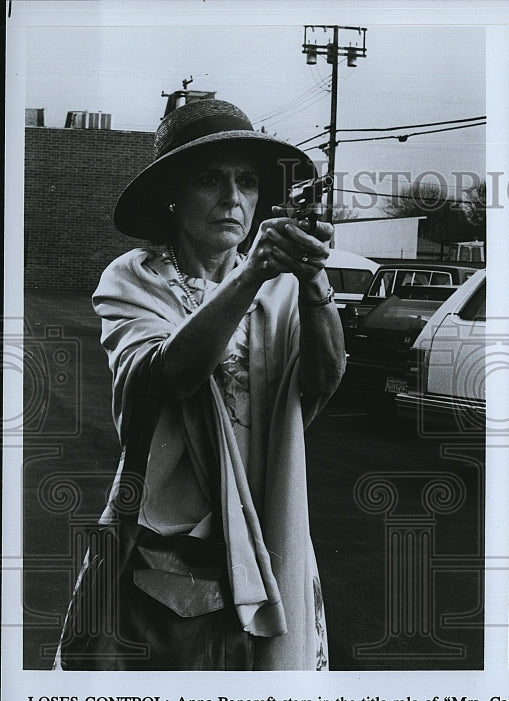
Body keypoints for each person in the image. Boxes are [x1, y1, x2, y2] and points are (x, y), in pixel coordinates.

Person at [58, 99, 346, 669]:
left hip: (269, 536)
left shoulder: (283, 287)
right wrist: (251, 278)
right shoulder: (136, 277)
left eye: (246, 182)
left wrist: (313, 283)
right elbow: (165, 378)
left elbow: (323, 381)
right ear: (173, 195)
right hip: (171, 552)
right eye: (210, 180)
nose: (232, 198)